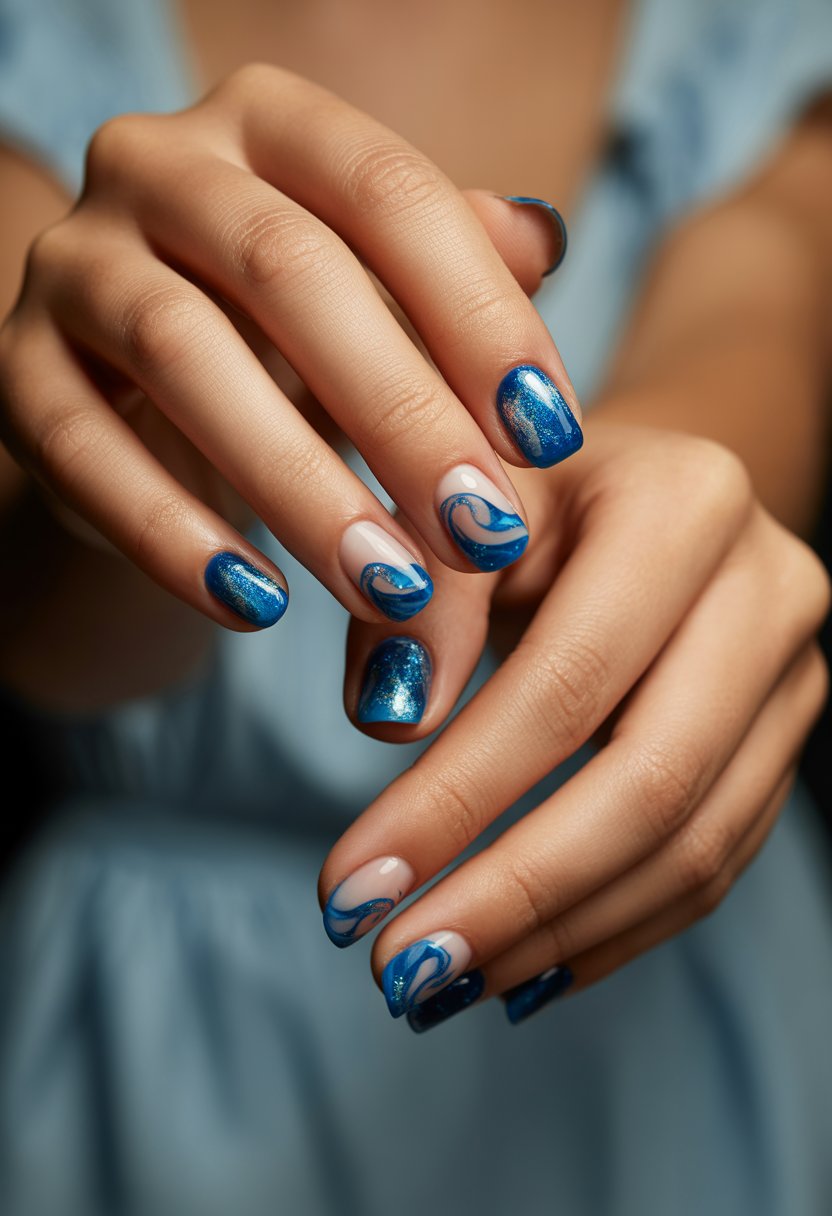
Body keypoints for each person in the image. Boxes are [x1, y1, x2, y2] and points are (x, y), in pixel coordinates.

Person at [0, 1, 831, 1213]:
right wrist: (147, 450)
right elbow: (42, 626)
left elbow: (756, 338)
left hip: (649, 1039)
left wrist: (656, 513)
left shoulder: (756, 31)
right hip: (152, 1058)